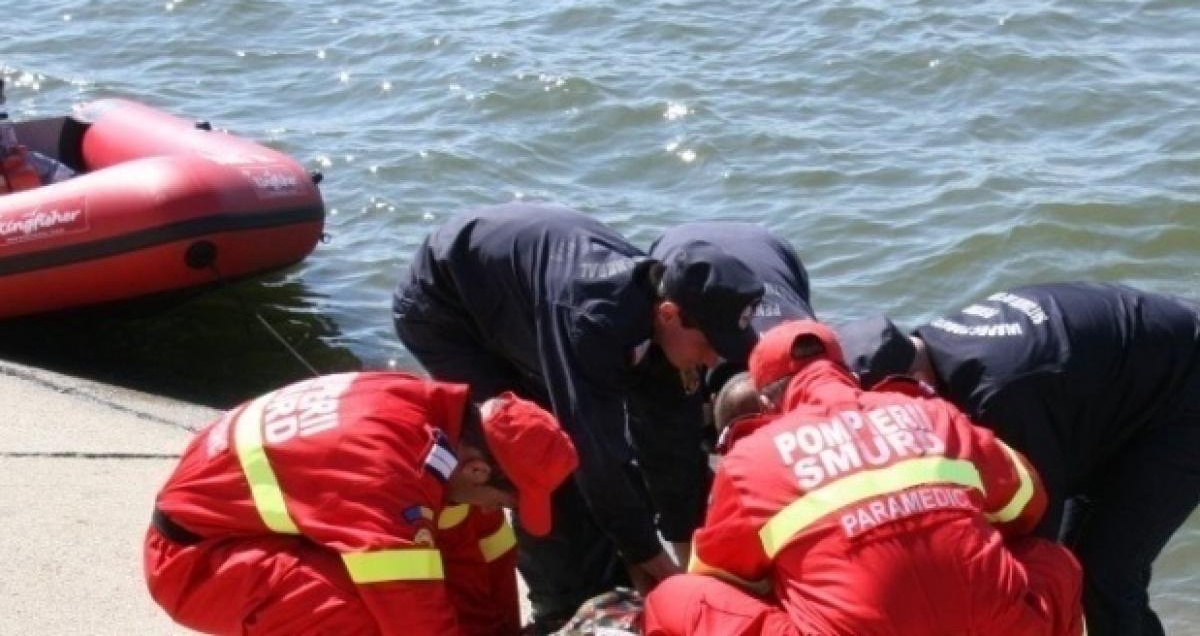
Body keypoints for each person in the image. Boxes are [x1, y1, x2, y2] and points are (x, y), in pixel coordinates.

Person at [392, 202, 765, 632]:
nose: (714, 357)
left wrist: (692, 572)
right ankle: (560, 607)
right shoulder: (593, 320)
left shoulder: (674, 332)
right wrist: (649, 558)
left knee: (646, 459)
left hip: (528, 307)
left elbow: (671, 452)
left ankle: (611, 578)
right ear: (668, 314)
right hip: (449, 310)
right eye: (709, 344)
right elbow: (592, 450)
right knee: (540, 460)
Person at [644, 320, 1084, 636]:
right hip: (1001, 626)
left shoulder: (752, 459)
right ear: (847, 371)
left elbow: (720, 576)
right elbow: (1029, 502)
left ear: (765, 400)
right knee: (1054, 560)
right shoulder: (932, 413)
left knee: (675, 598)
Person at [836, 282, 1200, 636]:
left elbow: (1033, 535)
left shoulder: (996, 394)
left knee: (1099, 574)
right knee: (1089, 566)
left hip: (1183, 397)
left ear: (912, 380)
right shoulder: (927, 349)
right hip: (1121, 386)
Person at [144, 371, 578, 635]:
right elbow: (412, 614)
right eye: (508, 499)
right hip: (195, 562)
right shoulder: (387, 469)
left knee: (462, 530)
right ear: (478, 471)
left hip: (249, 529)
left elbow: (484, 556)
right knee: (358, 614)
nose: (501, 510)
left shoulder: (437, 422)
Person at [627, 222, 815, 564]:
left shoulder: (806, 354)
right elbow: (669, 479)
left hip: (772, 250)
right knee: (671, 449)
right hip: (678, 252)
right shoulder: (680, 346)